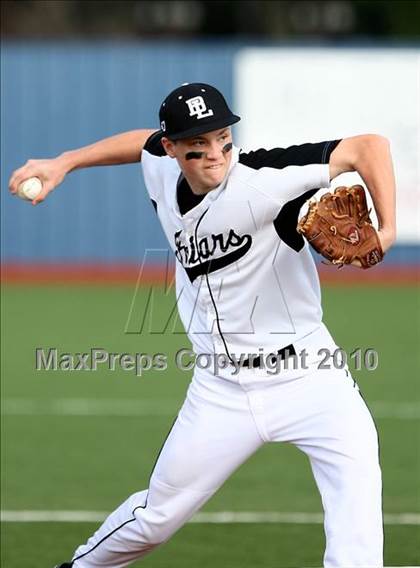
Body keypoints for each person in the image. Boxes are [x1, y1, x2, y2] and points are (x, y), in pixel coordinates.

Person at [9, 82, 396, 568]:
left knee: (357, 515)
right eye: (198, 146)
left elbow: (370, 147)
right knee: (157, 516)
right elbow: (140, 143)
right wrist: (63, 162)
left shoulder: (264, 179)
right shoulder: (159, 165)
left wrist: (387, 229)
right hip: (221, 389)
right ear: (171, 149)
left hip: (311, 376)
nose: (215, 155)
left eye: (223, 140)